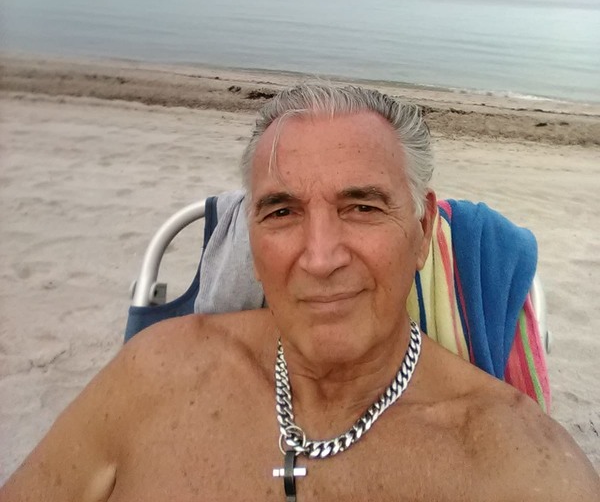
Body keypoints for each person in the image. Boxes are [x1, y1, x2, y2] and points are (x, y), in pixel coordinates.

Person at [1, 84, 599, 502]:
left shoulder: (516, 464)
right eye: (282, 211)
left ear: (421, 231)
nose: (319, 258)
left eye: (361, 207)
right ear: (252, 238)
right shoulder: (155, 374)